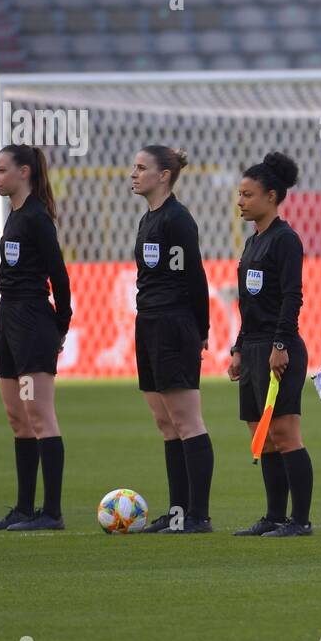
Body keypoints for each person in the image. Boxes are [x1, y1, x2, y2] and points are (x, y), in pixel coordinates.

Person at [0, 144, 73, 531]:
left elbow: (59, 275)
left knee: (38, 415)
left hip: (33, 322)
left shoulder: (36, 217)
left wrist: (60, 325)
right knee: (17, 417)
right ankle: (22, 508)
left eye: (1, 170)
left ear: (24, 172)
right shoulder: (15, 215)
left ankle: (50, 512)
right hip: (9, 319)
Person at [130, 145, 215, 534]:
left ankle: (198, 516)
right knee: (165, 423)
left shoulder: (177, 219)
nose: (134, 173)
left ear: (164, 175)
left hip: (173, 324)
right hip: (147, 323)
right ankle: (178, 513)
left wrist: (201, 329)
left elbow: (194, 278)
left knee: (187, 421)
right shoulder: (149, 219)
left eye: (142, 167)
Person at [230, 153, 315, 538]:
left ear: (272, 196)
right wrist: (237, 348)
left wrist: (279, 344)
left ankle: (300, 520)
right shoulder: (252, 243)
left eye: (248, 195)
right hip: (252, 348)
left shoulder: (286, 240)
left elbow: (292, 297)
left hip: (277, 348)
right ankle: (274, 516)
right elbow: (247, 304)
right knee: (261, 436)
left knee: (285, 434)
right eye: (240, 194)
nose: (241, 201)